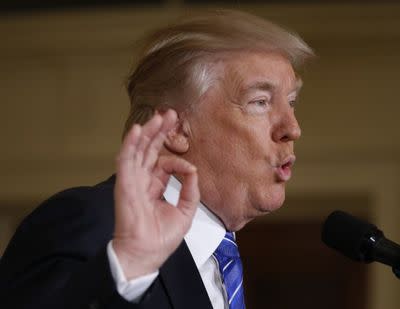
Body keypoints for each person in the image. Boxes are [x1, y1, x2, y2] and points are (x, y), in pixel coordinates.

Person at [0, 9, 313, 309]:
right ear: (175, 127)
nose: (293, 128)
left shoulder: (222, 265)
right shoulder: (90, 224)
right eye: (260, 102)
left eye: (292, 102)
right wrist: (128, 269)